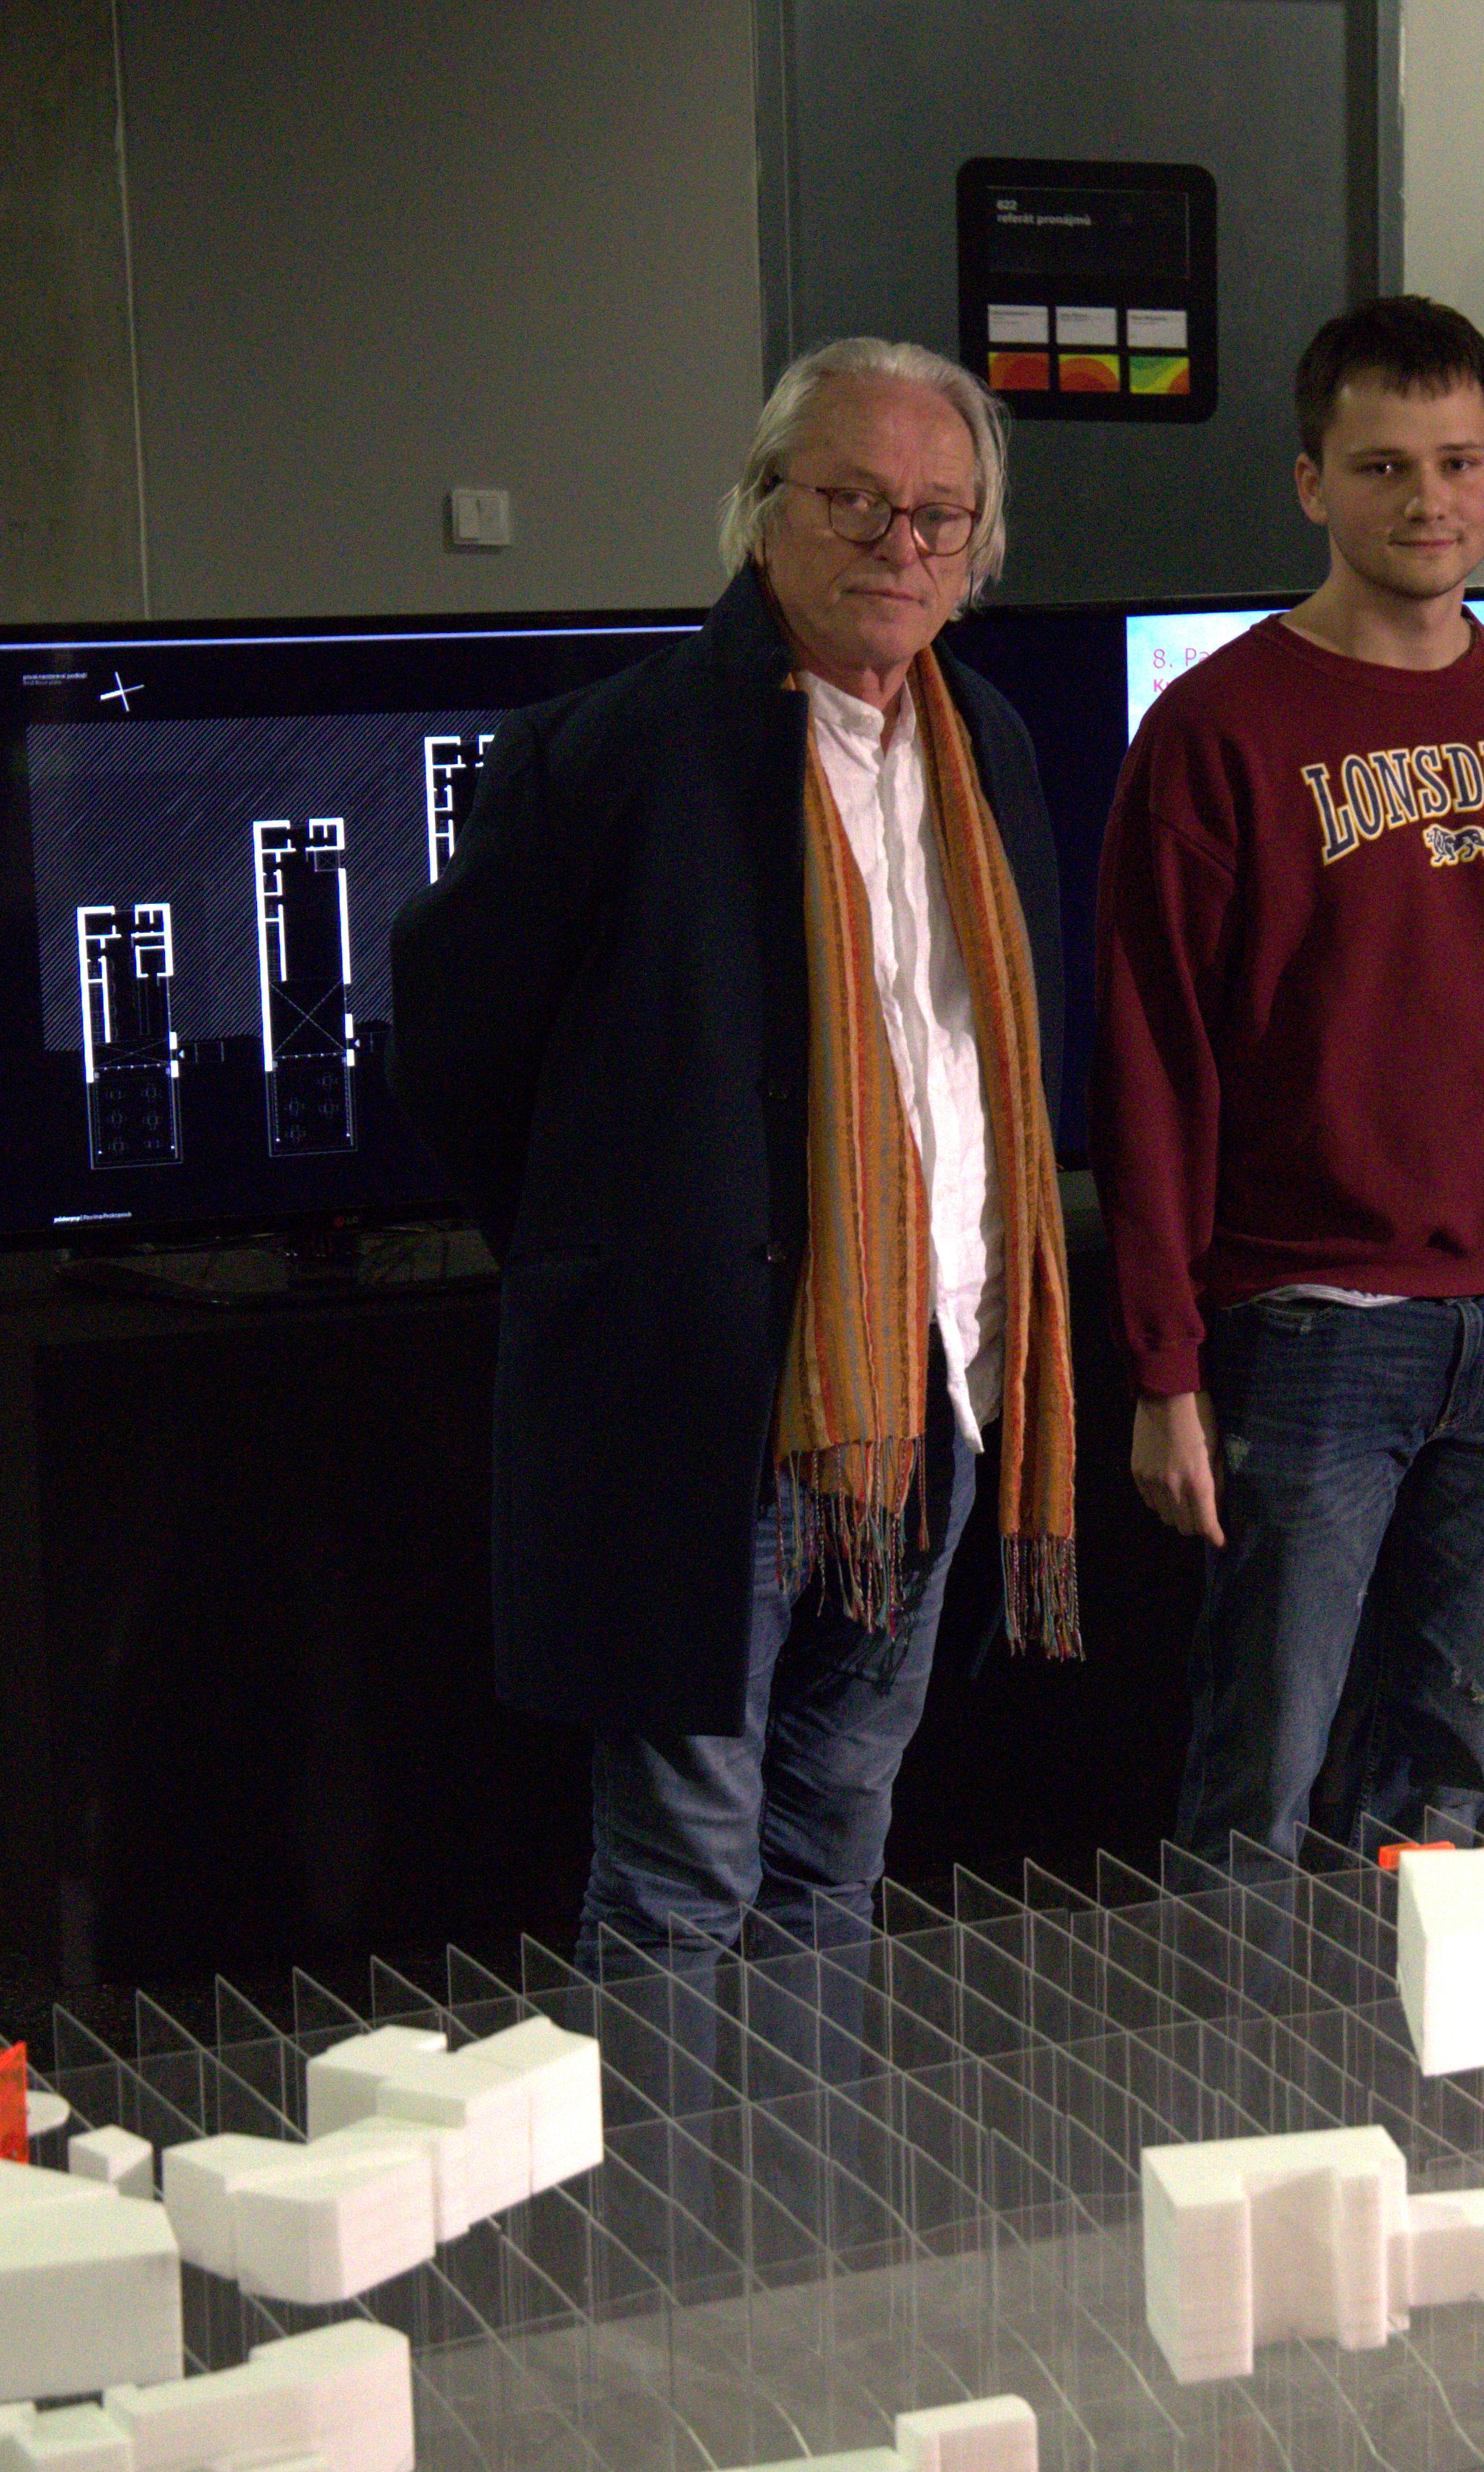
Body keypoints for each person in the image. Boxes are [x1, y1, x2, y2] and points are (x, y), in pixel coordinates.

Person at [392, 336, 1076, 2209]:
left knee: (838, 1854)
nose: (899, 544)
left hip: (930, 1395)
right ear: (765, 513)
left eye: (939, 514)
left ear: (978, 545)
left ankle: (794, 2228)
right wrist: (617, 1249)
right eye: (854, 502)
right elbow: (454, 1046)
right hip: (702, 1409)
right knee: (683, 1875)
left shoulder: (991, 744)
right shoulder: (617, 750)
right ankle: (661, 2262)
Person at [1097, 297, 1484, 1863]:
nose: (1429, 500)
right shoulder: (1215, 729)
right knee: (1259, 1788)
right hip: (1314, 1330)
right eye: (1384, 465)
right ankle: (1239, 2037)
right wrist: (1165, 1363)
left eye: (1459, 461)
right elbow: (1150, 1060)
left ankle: (1408, 2040)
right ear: (1311, 482)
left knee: (1442, 1797)